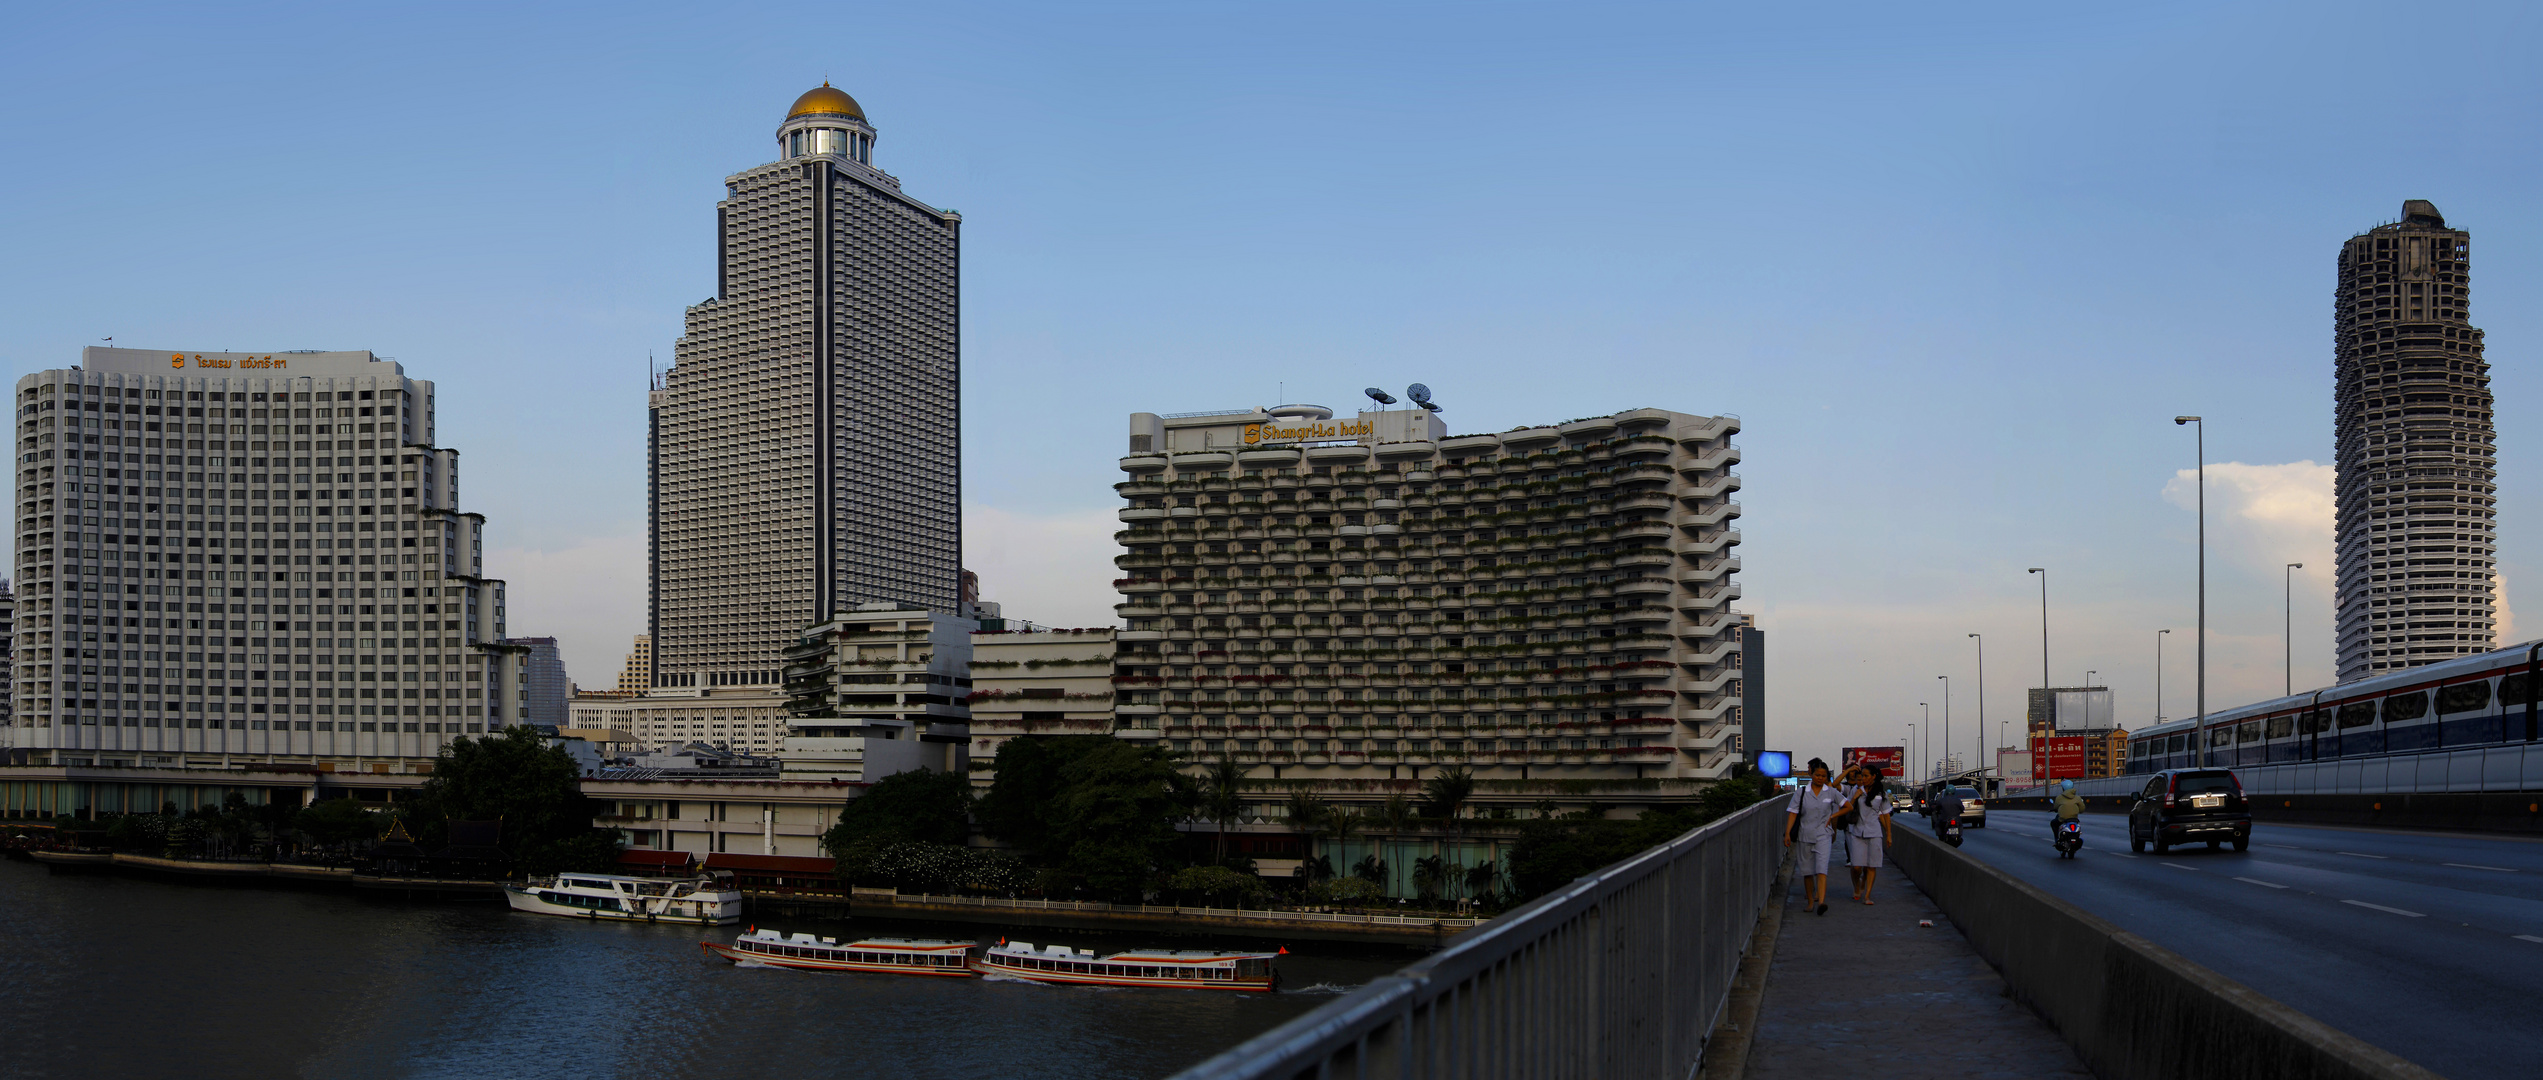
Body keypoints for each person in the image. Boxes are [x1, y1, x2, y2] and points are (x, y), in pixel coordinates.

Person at [1782, 758, 1842, 915]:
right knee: (1807, 871)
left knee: (1822, 869)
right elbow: (1793, 813)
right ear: (1812, 775)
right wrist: (1788, 833)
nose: (1820, 778)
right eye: (1817, 775)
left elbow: (1847, 805)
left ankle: (1821, 901)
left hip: (1823, 835)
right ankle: (1810, 901)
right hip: (1804, 834)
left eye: (1823, 776)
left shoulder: (1831, 792)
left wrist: (1832, 820)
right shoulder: (1801, 792)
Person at [1841, 766, 1894, 904]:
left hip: (1874, 832)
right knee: (1857, 866)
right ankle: (1857, 885)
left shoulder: (1880, 794)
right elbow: (1848, 807)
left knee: (1871, 866)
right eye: (1862, 776)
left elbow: (1885, 815)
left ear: (1873, 777)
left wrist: (1888, 834)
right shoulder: (1856, 791)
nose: (1863, 779)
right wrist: (1854, 798)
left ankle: (1867, 895)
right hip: (1857, 832)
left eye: (1865, 776)